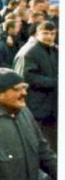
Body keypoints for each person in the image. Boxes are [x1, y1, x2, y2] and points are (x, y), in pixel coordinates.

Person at [13, 21, 58, 149]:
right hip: (36, 107)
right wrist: (54, 82)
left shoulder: (53, 50)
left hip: (51, 106)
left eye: (52, 34)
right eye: (45, 33)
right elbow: (25, 78)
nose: (49, 37)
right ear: (37, 34)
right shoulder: (29, 52)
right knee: (37, 144)